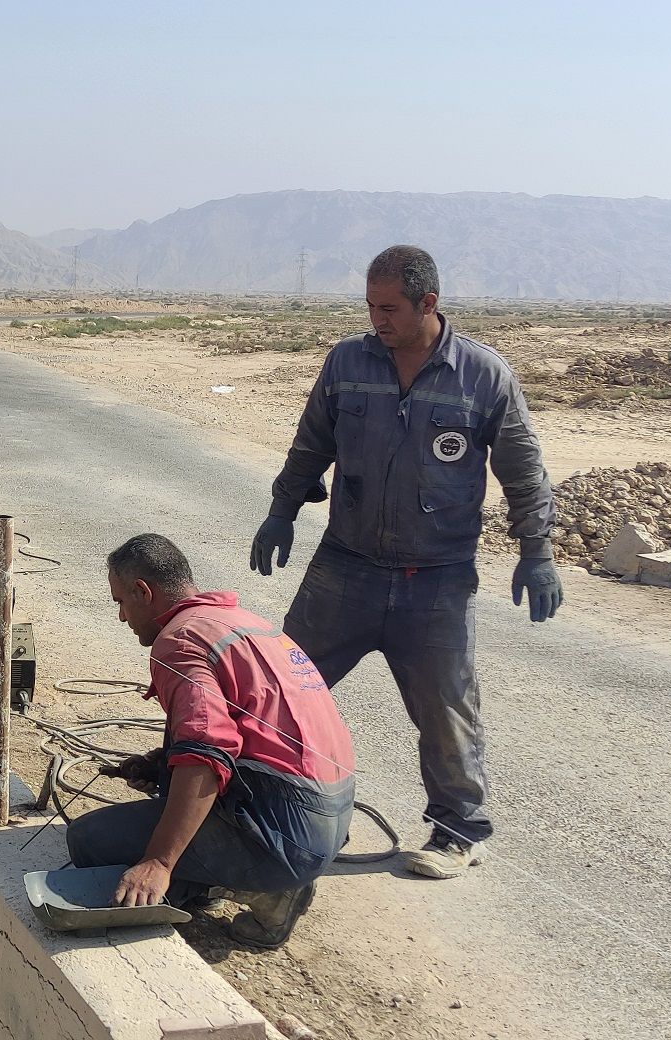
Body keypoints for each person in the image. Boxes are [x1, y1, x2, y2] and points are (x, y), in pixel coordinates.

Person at [250, 245, 560, 880]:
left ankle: (457, 830)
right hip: (346, 570)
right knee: (281, 688)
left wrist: (537, 553)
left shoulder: (483, 376)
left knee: (447, 708)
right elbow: (312, 443)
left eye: (388, 308)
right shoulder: (347, 362)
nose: (377, 320)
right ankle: (251, 798)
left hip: (438, 581)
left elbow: (524, 473)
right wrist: (282, 509)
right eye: (369, 306)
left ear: (429, 304)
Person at [66, 534, 357, 950]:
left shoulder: (178, 642)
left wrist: (159, 861)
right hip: (333, 815)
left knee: (90, 840)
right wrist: (161, 763)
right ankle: (262, 875)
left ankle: (264, 890)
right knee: (174, 779)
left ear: (143, 592)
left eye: (122, 602)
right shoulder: (241, 621)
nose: (121, 616)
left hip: (291, 833)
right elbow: (249, 734)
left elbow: (206, 754)